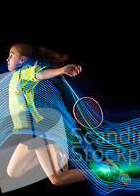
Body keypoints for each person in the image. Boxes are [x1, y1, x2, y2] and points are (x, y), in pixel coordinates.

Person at [5, 42, 89, 186]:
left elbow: (41, 74)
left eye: (11, 55)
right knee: (13, 172)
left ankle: (103, 172)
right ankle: (56, 149)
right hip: (29, 132)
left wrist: (63, 69)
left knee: (57, 179)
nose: (7, 59)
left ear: (22, 60)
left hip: (36, 130)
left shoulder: (23, 73)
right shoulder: (16, 78)